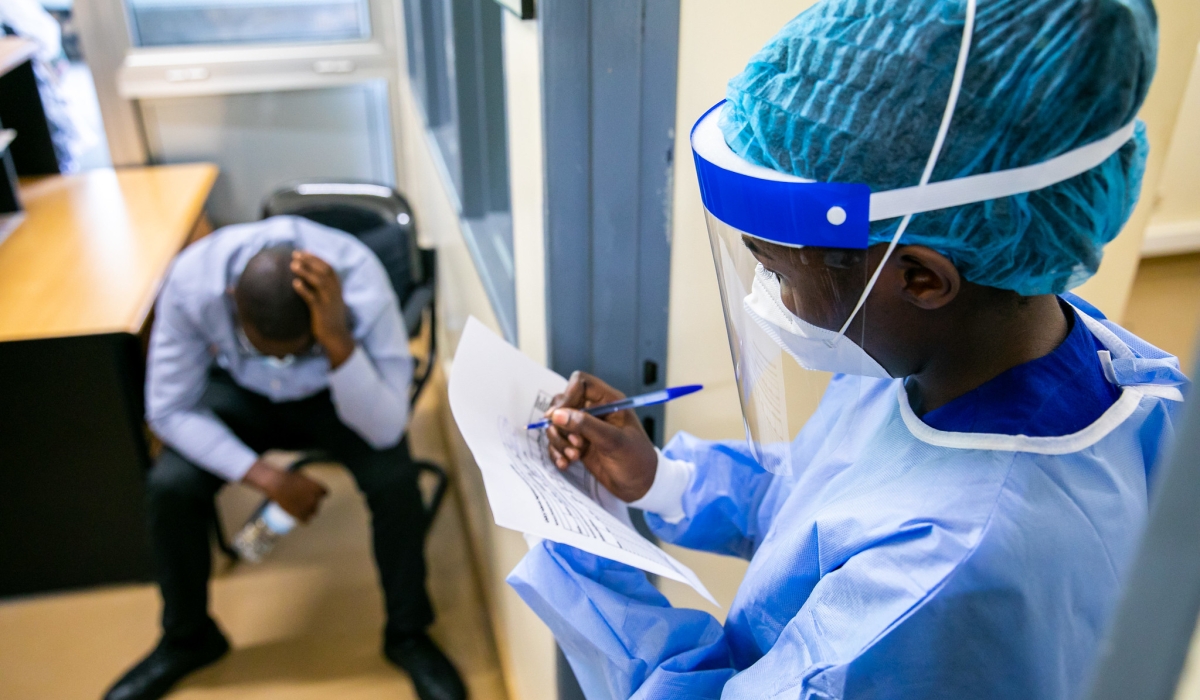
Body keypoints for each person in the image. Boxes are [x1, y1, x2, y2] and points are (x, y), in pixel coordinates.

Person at [506, 0, 1190, 698]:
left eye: (775, 270)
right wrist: (661, 480)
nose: (765, 297)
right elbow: (825, 498)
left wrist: (574, 554)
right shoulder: (971, 353)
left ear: (921, 277)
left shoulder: (946, 571)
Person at [105, 216, 465, 700]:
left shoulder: (362, 283)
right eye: (268, 351)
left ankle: (408, 633)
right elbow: (167, 409)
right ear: (232, 303)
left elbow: (384, 426)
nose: (283, 366)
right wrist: (267, 479)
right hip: (243, 392)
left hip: (337, 387)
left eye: (297, 352)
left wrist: (335, 339)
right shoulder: (194, 282)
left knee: (394, 480)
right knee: (171, 485)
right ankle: (188, 639)